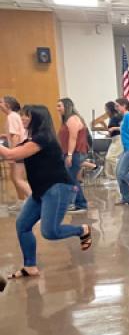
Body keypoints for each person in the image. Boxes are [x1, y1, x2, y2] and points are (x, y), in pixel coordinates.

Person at [0, 105, 93, 280]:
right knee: (23, 225)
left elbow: (11, 155)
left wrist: (9, 150)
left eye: (27, 116)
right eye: (22, 115)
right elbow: (14, 156)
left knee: (50, 232)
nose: (23, 118)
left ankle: (82, 230)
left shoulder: (43, 138)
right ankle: (30, 266)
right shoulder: (32, 140)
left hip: (56, 188)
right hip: (40, 191)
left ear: (37, 118)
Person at [56, 98, 90, 213]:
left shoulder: (72, 119)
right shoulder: (66, 119)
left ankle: (80, 203)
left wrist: (69, 154)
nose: (57, 109)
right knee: (71, 178)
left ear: (66, 106)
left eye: (59, 106)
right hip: (69, 152)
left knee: (71, 178)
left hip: (75, 152)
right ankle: (76, 202)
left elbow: (73, 138)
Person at [1, 95, 31, 211]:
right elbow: (16, 133)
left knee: (18, 178)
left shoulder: (11, 117)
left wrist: (12, 153)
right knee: (14, 177)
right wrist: (5, 136)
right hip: (20, 149)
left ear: (7, 105)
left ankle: (34, 202)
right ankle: (21, 201)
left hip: (18, 151)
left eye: (1, 102)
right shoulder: (13, 116)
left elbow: (16, 136)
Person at [98, 101, 123, 180]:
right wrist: (104, 130)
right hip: (115, 139)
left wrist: (112, 128)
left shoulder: (118, 116)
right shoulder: (112, 118)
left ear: (110, 109)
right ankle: (111, 176)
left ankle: (121, 173)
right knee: (108, 158)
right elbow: (111, 132)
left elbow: (124, 127)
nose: (105, 111)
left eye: (106, 109)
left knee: (110, 157)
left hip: (120, 139)